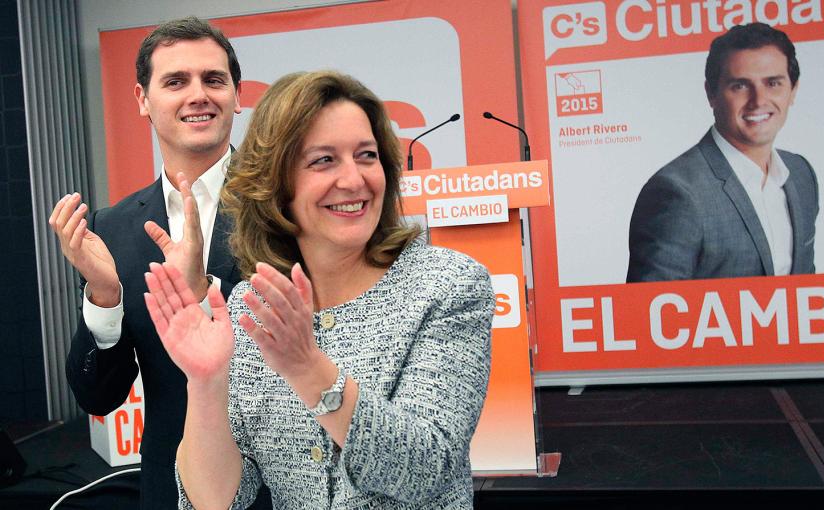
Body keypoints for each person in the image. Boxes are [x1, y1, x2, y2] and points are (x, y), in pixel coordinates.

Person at [143, 70, 495, 509]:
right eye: (323, 160)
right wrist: (206, 383)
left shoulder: (447, 285)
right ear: (277, 184)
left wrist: (307, 367)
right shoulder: (251, 305)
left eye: (366, 156)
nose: (354, 180)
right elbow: (214, 502)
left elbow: (425, 470)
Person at [48, 17, 245, 509]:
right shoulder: (114, 226)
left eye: (214, 80)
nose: (198, 94)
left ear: (236, 96)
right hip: (169, 489)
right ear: (142, 100)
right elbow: (97, 396)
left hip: (284, 489)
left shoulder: (289, 204)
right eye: (176, 81)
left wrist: (201, 296)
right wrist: (105, 300)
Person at [626, 22, 819, 283]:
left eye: (773, 83)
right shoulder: (677, 192)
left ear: (792, 91)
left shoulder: (801, 174)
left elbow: (806, 289)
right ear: (711, 94)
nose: (759, 100)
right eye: (740, 86)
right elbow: (652, 314)